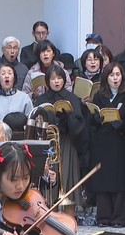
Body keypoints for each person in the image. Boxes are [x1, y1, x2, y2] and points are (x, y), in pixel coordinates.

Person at [34, 64, 89, 212]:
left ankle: (69, 214)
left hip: (66, 142)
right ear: (47, 81)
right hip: (48, 143)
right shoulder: (42, 100)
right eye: (52, 78)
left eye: (59, 78)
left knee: (67, 176)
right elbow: (36, 121)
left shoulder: (72, 98)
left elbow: (80, 125)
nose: (56, 81)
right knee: (49, 177)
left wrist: (68, 119)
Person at [88, 62, 125, 227]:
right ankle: (103, 218)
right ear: (106, 78)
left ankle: (119, 219)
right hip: (103, 141)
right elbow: (92, 117)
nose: (115, 78)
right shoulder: (99, 95)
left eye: (118, 75)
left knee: (121, 180)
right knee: (103, 180)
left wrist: (123, 124)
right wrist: (95, 119)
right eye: (112, 75)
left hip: (121, 141)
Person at [0, 64, 32, 129]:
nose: (6, 76)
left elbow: (30, 119)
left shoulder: (24, 98)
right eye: (3, 73)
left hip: (19, 136)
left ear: (14, 77)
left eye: (10, 73)